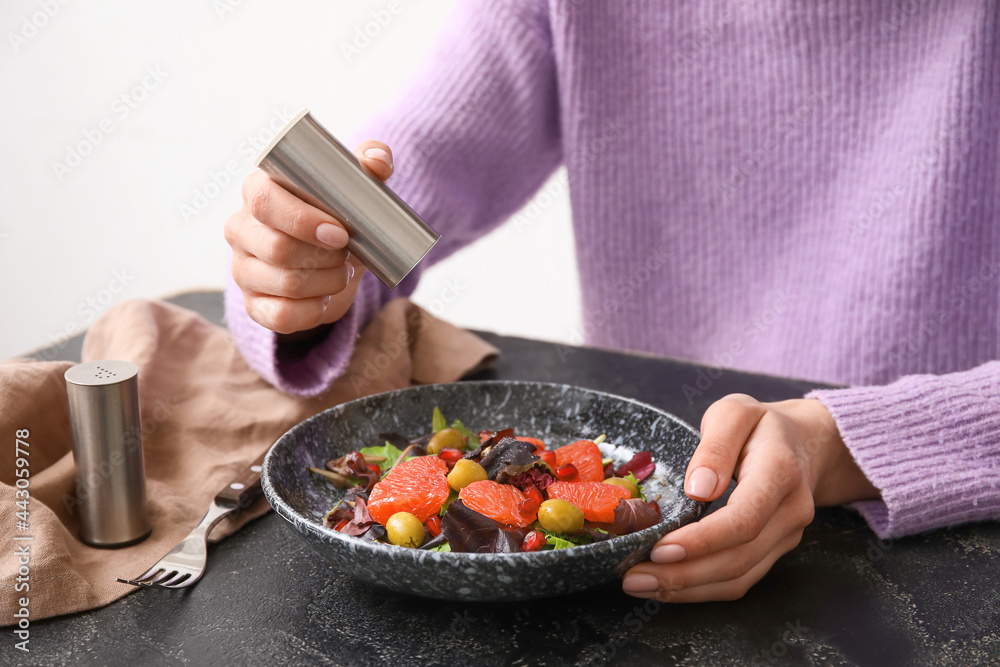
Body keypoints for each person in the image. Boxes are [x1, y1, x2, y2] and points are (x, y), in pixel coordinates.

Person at [223, 1, 1000, 602]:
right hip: (643, 530)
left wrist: (844, 441)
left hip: (938, 533)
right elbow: (409, 168)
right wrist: (301, 261)